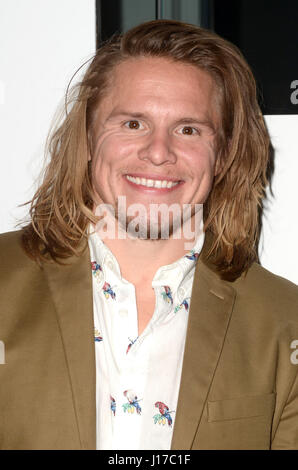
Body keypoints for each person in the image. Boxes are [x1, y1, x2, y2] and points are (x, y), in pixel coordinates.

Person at [0, 19, 297, 450]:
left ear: (226, 152)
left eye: (188, 129)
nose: (159, 152)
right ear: (87, 135)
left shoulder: (284, 322)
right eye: (133, 124)